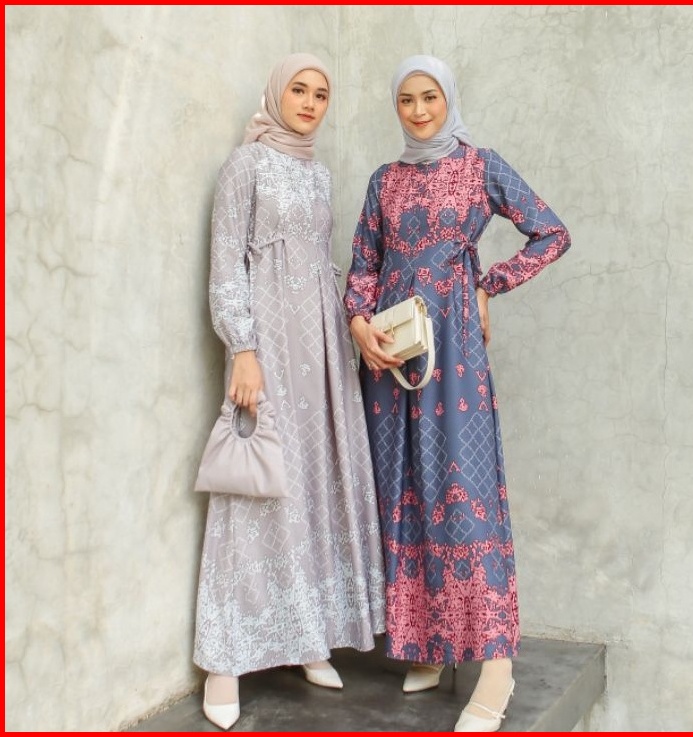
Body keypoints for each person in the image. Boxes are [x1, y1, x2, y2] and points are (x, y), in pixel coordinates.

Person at [343, 54, 571, 733]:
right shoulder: (383, 181)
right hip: (390, 351)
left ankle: (495, 664)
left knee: (460, 486)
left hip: (453, 343)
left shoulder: (480, 166)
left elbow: (551, 232)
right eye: (406, 100)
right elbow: (363, 265)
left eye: (430, 98)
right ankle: (424, 643)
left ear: (448, 100)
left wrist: (486, 284)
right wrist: (358, 324)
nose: (418, 111)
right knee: (402, 487)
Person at [193, 53, 385, 731]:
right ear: (277, 94)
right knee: (254, 487)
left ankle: (307, 636)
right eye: (298, 90)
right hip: (267, 346)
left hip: (321, 350)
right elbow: (226, 264)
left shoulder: (318, 172)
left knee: (311, 484)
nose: (308, 102)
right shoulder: (245, 165)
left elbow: (319, 263)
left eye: (320, 94)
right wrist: (242, 348)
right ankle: (224, 659)